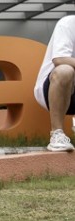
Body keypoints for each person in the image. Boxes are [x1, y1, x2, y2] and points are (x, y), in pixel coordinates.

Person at [33, 14, 75, 152]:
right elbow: (60, 59)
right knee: (65, 70)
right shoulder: (68, 23)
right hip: (52, 90)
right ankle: (57, 134)